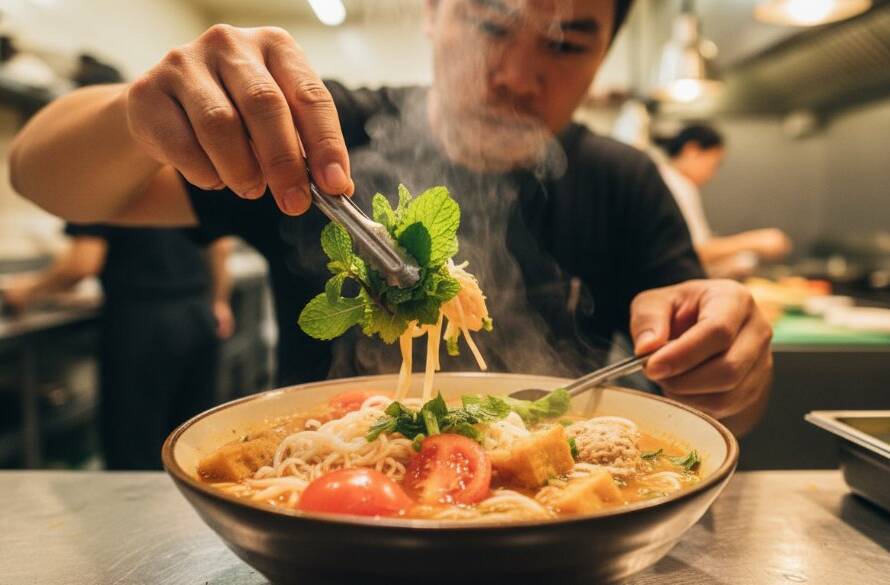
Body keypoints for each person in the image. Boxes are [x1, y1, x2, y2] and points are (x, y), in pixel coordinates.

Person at [7, 0, 773, 437]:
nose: (516, 76)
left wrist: (726, 366)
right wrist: (134, 111)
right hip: (319, 529)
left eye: (568, 42)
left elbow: (717, 399)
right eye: (492, 24)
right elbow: (45, 178)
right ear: (434, 13)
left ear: (605, 53)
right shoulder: (315, 138)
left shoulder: (624, 179)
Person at [2, 226, 235, 469]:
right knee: (193, 443)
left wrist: (28, 291)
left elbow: (82, 263)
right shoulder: (192, 185)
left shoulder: (96, 188)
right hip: (198, 313)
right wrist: (219, 299)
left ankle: (140, 508)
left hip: (143, 322)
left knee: (135, 448)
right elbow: (220, 245)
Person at [656, 124, 792, 278]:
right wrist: (756, 241)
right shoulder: (674, 183)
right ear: (692, 151)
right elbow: (692, 251)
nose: (711, 174)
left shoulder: (671, 180)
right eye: (713, 164)